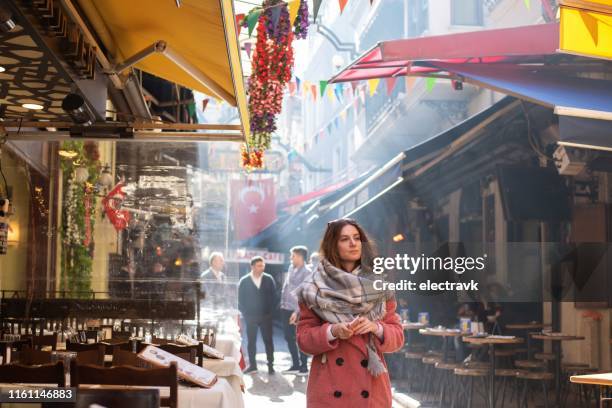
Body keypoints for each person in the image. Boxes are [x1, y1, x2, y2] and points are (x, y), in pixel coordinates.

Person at [295, 218, 404, 407]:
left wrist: (376, 327)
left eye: (356, 238)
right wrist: (332, 331)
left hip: (371, 388)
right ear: (332, 245)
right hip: (329, 389)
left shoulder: (379, 286)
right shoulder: (313, 287)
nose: (353, 243)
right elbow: (303, 340)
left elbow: (397, 337)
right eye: (344, 239)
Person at [238, 256, 277, 374]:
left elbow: (274, 297)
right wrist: (247, 314)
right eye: (259, 265)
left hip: (266, 317)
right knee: (251, 342)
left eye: (263, 265)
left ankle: (270, 365)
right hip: (251, 317)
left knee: (268, 341)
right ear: (252, 267)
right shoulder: (244, 281)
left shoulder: (269, 279)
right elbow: (240, 299)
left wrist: (270, 313)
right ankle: (253, 365)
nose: (262, 267)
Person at [280, 246, 312, 376]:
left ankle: (304, 367)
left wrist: (297, 311)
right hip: (285, 308)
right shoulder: (290, 268)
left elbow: (306, 295)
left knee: (300, 338)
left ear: (299, 256)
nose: (291, 258)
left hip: (298, 311)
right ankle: (295, 365)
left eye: (292, 256)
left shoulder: (307, 272)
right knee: (288, 337)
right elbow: (286, 287)